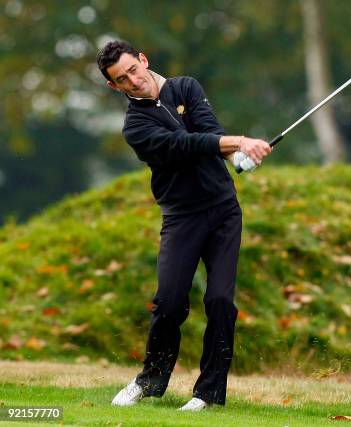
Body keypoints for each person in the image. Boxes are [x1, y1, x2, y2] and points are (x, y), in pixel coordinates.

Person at [96, 40, 272, 411]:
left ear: (143, 60)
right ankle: (149, 380)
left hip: (224, 209)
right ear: (115, 87)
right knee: (170, 302)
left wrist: (241, 155)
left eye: (133, 69)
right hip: (182, 216)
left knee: (221, 301)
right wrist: (239, 142)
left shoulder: (186, 87)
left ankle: (207, 394)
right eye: (122, 79)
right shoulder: (136, 126)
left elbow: (209, 129)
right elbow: (185, 145)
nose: (133, 80)